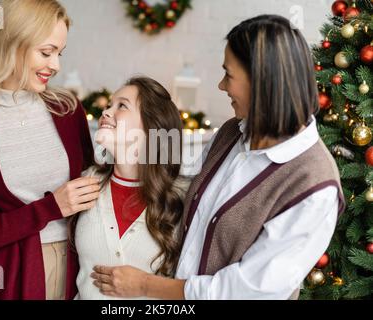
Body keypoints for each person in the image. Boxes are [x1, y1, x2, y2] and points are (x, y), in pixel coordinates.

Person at [91, 15, 346, 300]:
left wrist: (145, 286)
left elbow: (248, 291)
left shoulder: (313, 185)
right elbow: (175, 171)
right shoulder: (232, 133)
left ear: (261, 82)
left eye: (229, 75)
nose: (221, 86)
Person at [0, 0, 99, 300]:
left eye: (59, 54)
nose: (56, 65)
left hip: (82, 267)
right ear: (10, 43)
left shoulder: (68, 110)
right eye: (46, 52)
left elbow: (93, 184)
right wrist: (49, 209)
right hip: (14, 275)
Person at [71, 77, 190, 300]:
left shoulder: (185, 196)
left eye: (121, 106)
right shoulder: (86, 183)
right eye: (108, 105)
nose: (105, 112)